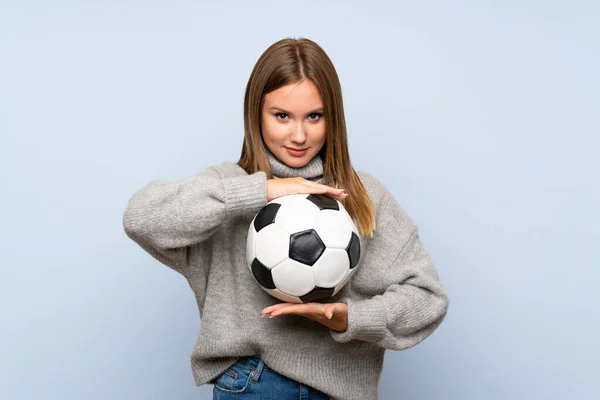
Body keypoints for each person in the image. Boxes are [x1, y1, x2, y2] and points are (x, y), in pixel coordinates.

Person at [123, 37, 449, 400]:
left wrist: (350, 318)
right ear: (256, 114)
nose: (299, 135)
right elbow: (141, 217)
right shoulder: (229, 188)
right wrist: (260, 192)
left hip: (344, 392)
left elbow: (428, 299)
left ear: (333, 118)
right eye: (282, 116)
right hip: (256, 384)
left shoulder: (363, 195)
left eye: (314, 116)